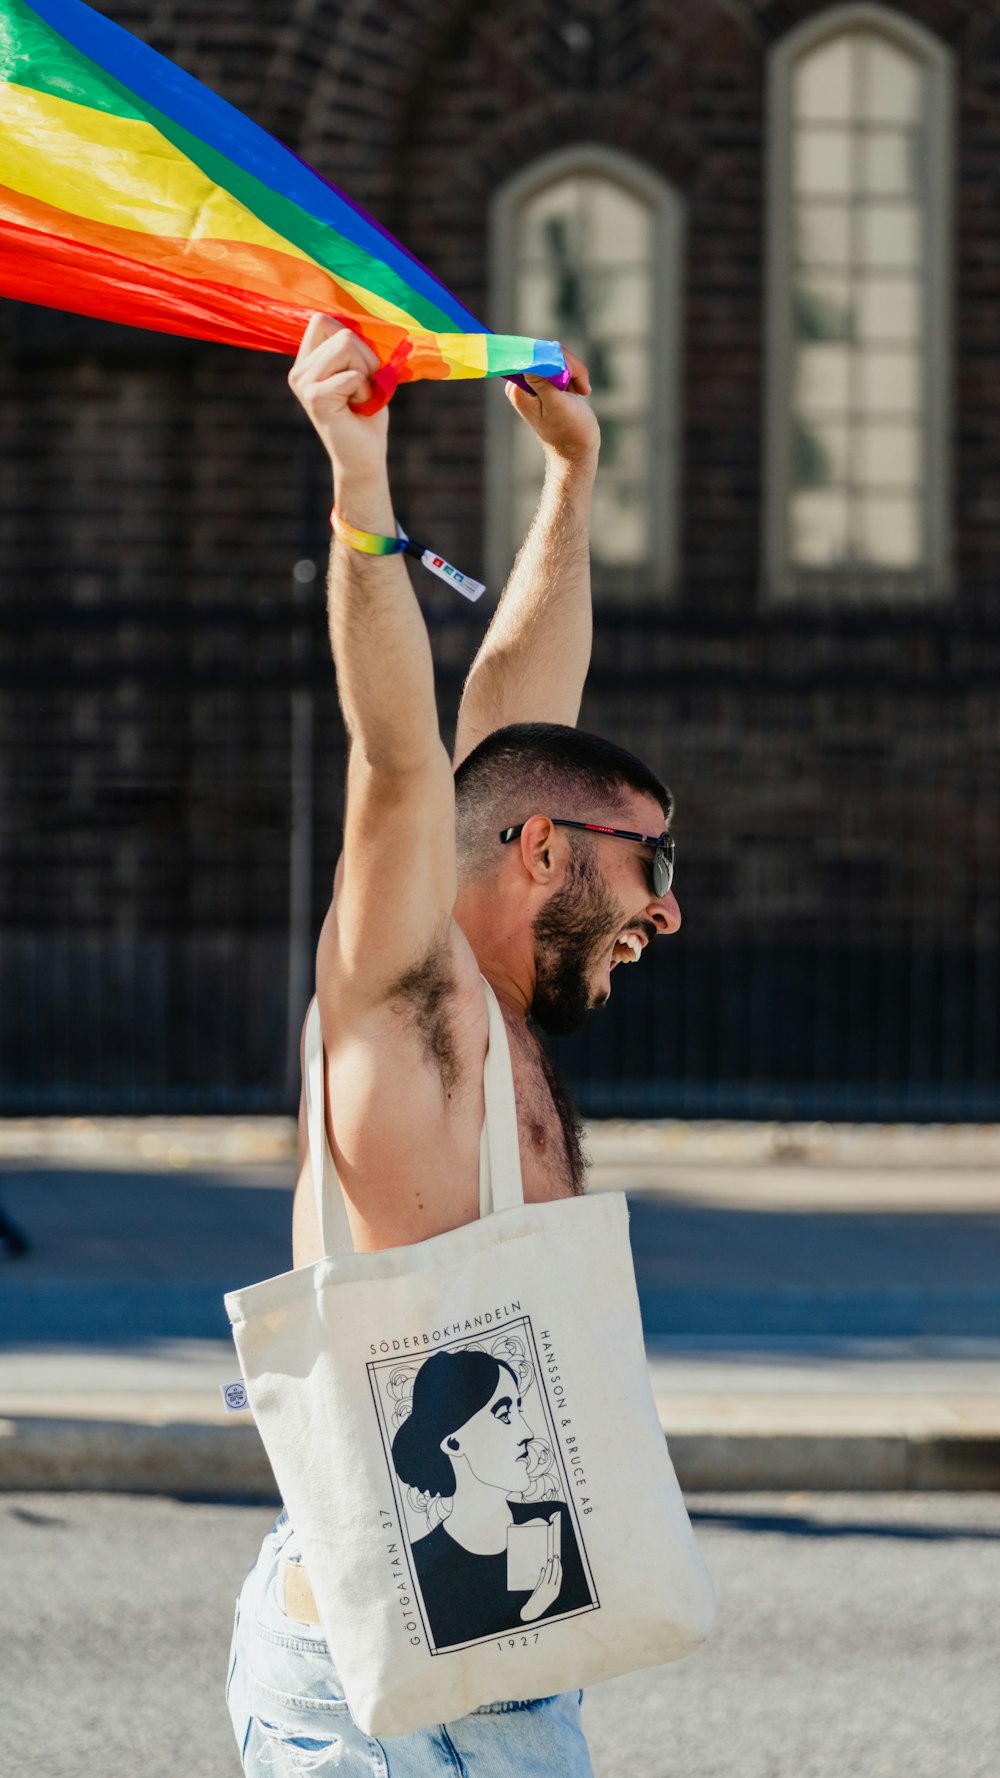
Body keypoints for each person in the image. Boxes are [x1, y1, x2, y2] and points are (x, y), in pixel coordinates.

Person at [226, 318, 681, 1777]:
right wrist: (361, 489)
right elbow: (406, 756)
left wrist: (571, 481)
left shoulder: (501, 1020)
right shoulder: (398, 1003)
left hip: (510, 1668)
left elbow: (513, 721)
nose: (666, 911)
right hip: (370, 1692)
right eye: (651, 866)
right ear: (543, 851)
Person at [391, 1348, 593, 1649]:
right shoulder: (420, 1565)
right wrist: (529, 1613)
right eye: (504, 1414)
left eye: (519, 1409)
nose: (527, 1432)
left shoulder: (557, 1521)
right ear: (454, 1442)